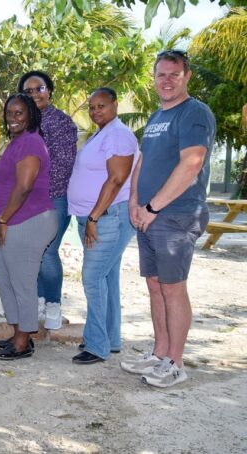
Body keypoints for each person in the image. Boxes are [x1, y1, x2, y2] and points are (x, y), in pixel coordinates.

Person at [121, 50, 215, 387]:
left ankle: (175, 363)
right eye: (161, 74)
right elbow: (142, 163)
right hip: (148, 214)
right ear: (154, 76)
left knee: (173, 290)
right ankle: (160, 354)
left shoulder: (194, 113)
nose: (167, 80)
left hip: (175, 214)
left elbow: (191, 164)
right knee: (154, 286)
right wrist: (134, 202)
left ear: (187, 76)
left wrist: (153, 207)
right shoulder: (156, 116)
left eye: (174, 74)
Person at [67, 88, 138, 365]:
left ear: (115, 105)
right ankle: (111, 338)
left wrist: (94, 217)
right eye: (92, 107)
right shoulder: (103, 133)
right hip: (98, 217)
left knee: (92, 278)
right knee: (107, 278)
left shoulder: (118, 134)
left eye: (102, 106)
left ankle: (97, 346)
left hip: (107, 218)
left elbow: (117, 179)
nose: (96, 111)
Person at [0, 94, 58, 361]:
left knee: (22, 283)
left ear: (30, 114)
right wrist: (0, 219)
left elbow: (24, 186)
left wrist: (4, 218)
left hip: (29, 220)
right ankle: (19, 330)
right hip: (11, 220)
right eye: (9, 113)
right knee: (1, 276)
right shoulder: (16, 142)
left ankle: (23, 341)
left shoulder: (30, 142)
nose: (13, 118)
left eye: (19, 113)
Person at [17, 71, 78, 330]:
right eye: (28, 91)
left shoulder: (62, 122)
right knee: (34, 253)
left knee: (48, 253)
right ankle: (39, 301)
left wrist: (31, 183)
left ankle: (53, 304)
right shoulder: (23, 124)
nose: (34, 94)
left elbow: (63, 165)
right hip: (27, 200)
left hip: (54, 198)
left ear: (49, 91)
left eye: (38, 89)